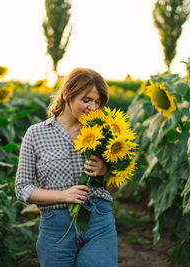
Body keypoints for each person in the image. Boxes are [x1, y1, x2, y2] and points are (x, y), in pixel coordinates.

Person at [15, 67, 119, 267]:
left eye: (98, 102)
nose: (93, 108)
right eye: (86, 100)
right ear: (66, 95)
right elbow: (22, 189)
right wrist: (64, 195)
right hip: (56, 226)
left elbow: (116, 188)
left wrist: (106, 173)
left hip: (98, 220)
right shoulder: (36, 134)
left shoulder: (105, 132)